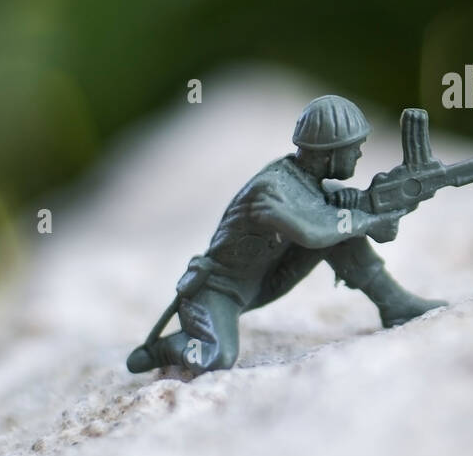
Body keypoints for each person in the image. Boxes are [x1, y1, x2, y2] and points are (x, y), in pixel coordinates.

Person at [126, 95, 445, 374]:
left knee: (341, 232)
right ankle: (165, 348)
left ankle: (394, 304)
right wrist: (367, 221)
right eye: (354, 148)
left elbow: (330, 219)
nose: (360, 155)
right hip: (218, 291)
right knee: (217, 356)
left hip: (265, 279)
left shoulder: (312, 186)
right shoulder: (271, 189)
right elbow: (311, 232)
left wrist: (376, 208)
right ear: (329, 154)